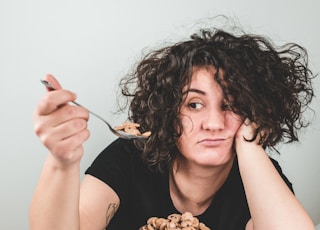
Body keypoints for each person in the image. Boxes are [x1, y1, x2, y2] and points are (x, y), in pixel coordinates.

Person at [30, 25, 316, 230]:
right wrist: (61, 162)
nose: (214, 124)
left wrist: (251, 144)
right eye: (194, 104)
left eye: (231, 105)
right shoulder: (129, 158)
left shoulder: (257, 177)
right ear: (168, 111)